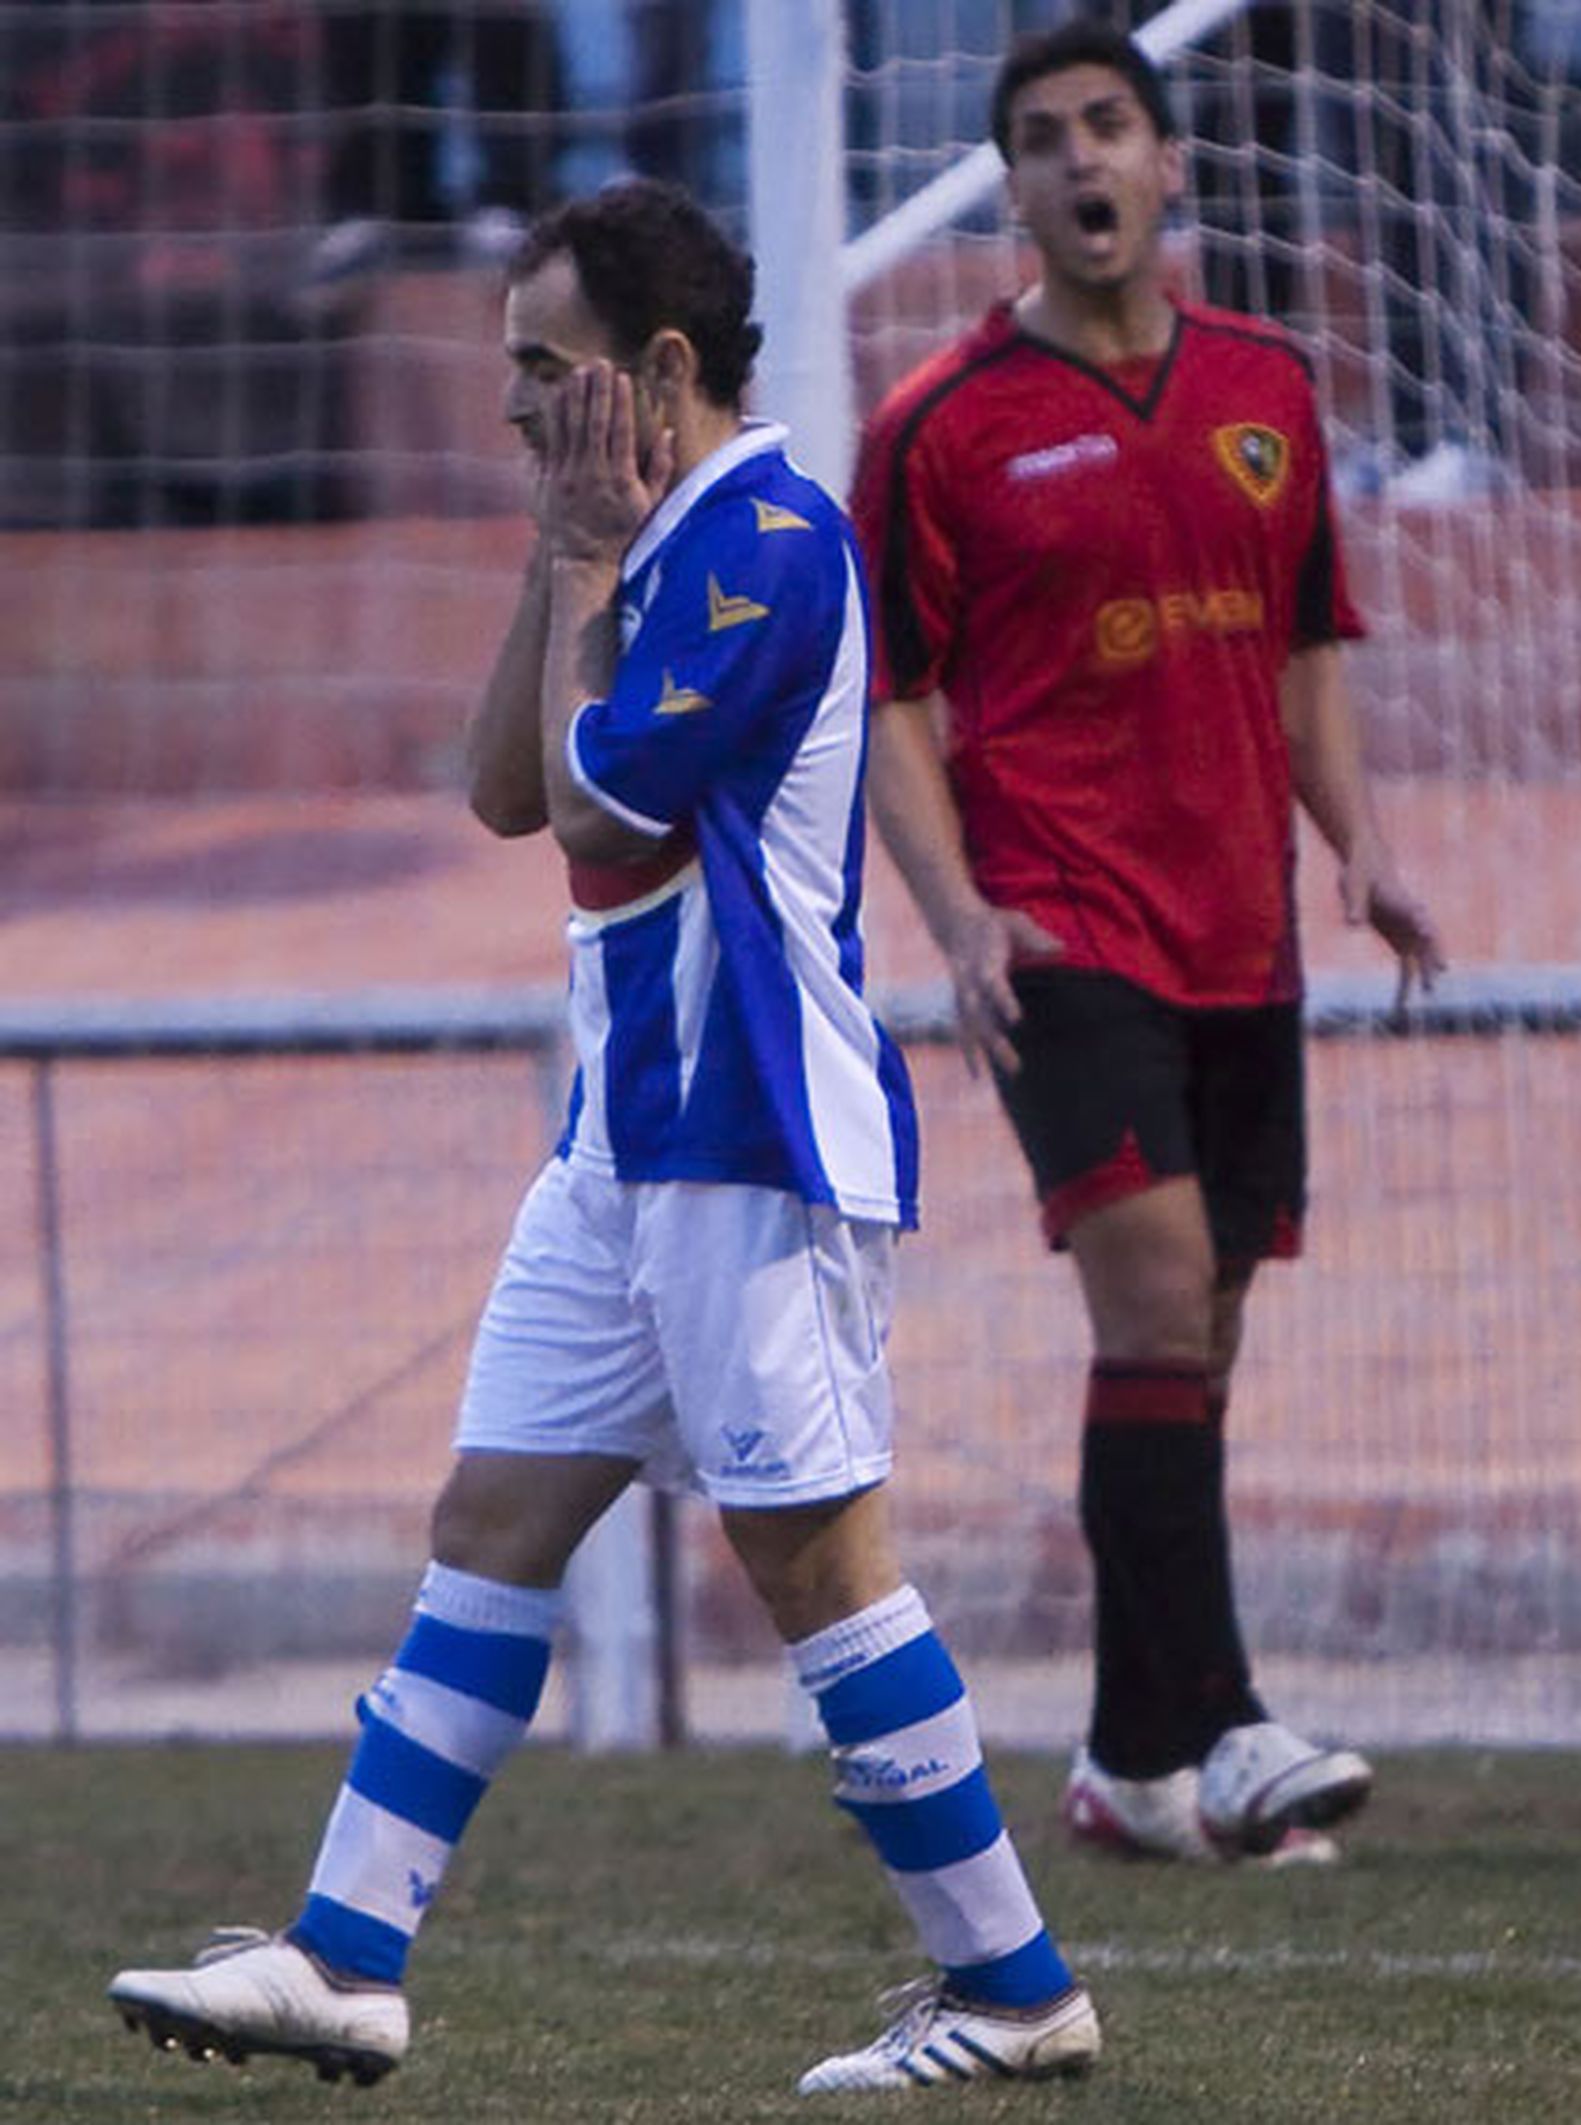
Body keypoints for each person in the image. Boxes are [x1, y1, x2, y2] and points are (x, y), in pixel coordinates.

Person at [105, 177, 1101, 2098]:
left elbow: (602, 820)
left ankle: (1015, 1985)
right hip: (621, 1138)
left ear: (656, 369)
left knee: (817, 1559)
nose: (514, 413)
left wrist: (587, 566)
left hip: (748, 1128)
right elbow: (501, 789)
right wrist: (562, 550)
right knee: (492, 1518)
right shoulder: (639, 539)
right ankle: (346, 1952)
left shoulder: (771, 546)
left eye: (542, 376)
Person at [851, 23, 1445, 1866]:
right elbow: (891, 702)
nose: (1079, 161)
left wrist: (1363, 850)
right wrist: (958, 919)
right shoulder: (937, 426)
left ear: (1171, 165)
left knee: (1196, 1344)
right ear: (1011, 192)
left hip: (1239, 934)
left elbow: (1310, 643)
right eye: (1040, 141)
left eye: (1110, 125)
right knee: (1159, 1303)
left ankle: (1126, 1764)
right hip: (1062, 934)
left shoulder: (1271, 385)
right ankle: (1239, 1728)